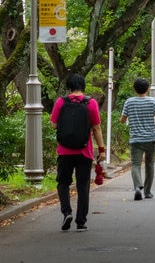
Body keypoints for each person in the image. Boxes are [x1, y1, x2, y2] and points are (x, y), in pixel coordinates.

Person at [49, 73, 105, 232]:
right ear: (83, 86)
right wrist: (101, 150)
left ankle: (67, 212)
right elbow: (96, 128)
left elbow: (53, 125)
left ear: (69, 87)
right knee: (83, 186)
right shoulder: (91, 103)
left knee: (63, 183)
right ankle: (81, 222)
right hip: (84, 152)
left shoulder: (61, 102)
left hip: (64, 151)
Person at [120, 78, 155, 202]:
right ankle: (147, 192)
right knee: (150, 164)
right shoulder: (153, 102)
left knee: (135, 164)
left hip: (135, 139)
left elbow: (122, 120)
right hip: (151, 139)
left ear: (134, 89)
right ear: (147, 89)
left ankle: (137, 186)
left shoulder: (129, 102)